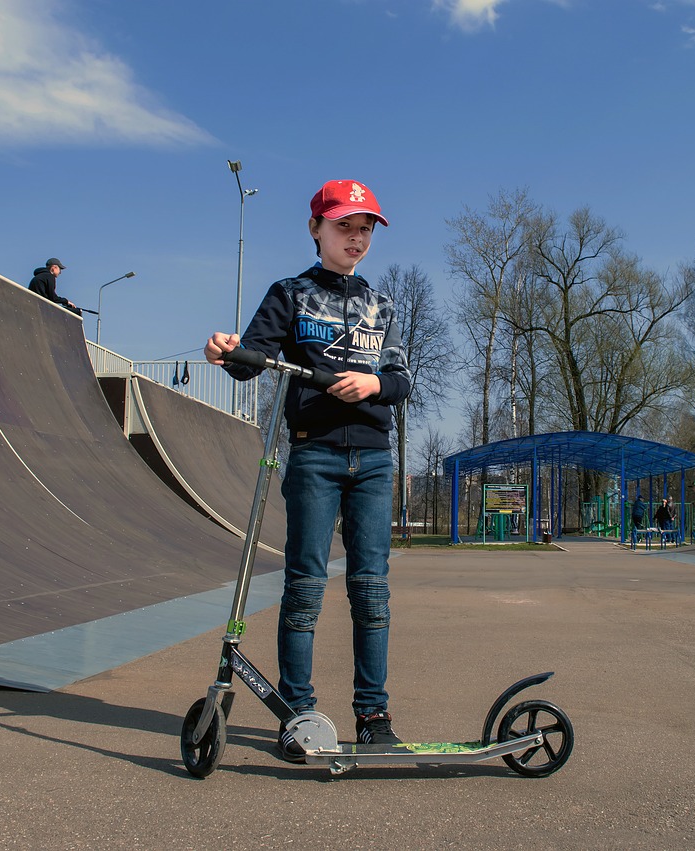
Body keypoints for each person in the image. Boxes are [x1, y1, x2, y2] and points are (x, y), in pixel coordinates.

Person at [205, 179, 411, 763]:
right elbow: (250, 359)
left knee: (372, 592)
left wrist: (374, 382)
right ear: (317, 229)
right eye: (345, 226)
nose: (356, 238)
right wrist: (224, 349)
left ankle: (373, 714)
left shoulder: (383, 304)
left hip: (372, 459)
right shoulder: (290, 294)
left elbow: (400, 380)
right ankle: (297, 715)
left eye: (365, 228)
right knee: (305, 589)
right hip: (314, 456)